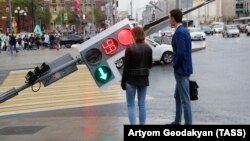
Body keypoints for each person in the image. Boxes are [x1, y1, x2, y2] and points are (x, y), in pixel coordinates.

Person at [121, 27, 152, 125]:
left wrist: (123, 82)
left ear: (133, 35)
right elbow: (150, 66)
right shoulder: (148, 48)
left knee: (130, 105)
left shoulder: (129, 48)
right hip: (143, 79)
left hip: (131, 80)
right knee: (142, 104)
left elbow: (126, 68)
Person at [169, 9, 193, 125]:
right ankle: (177, 121)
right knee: (177, 96)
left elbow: (182, 53)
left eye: (169, 17)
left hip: (181, 70)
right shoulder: (184, 30)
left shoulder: (179, 32)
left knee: (185, 100)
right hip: (184, 69)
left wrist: (175, 64)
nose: (169, 20)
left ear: (173, 18)